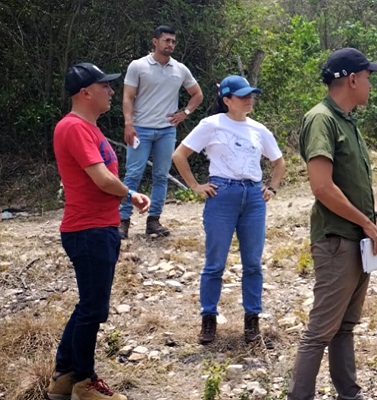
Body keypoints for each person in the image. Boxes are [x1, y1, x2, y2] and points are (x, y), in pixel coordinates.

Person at [287, 47, 377, 400]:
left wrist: (376, 219)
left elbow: (358, 183)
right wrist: (366, 223)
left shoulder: (348, 121)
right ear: (351, 80)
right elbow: (322, 186)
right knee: (320, 331)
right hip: (337, 241)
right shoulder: (322, 119)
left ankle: (349, 394)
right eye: (367, 78)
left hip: (358, 240)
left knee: (345, 327)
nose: (369, 85)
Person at [47, 63, 151, 400]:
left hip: (97, 227)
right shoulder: (74, 127)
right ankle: (85, 383)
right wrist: (131, 194)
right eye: (103, 85)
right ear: (84, 92)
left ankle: (63, 377)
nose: (110, 91)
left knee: (88, 306)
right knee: (93, 309)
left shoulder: (89, 128)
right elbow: (102, 179)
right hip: (88, 228)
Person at [172, 75, 285, 345]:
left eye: (251, 95)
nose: (249, 100)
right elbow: (179, 155)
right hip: (222, 194)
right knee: (214, 263)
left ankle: (252, 322)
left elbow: (279, 162)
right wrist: (195, 186)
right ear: (226, 100)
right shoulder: (211, 124)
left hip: (253, 196)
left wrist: (272, 187)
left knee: (253, 264)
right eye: (242, 96)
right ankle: (208, 319)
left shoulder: (259, 129)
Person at [119, 25, 204, 239]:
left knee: (161, 176)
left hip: (166, 131)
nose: (170, 45)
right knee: (133, 174)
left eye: (173, 41)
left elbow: (197, 94)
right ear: (155, 41)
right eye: (166, 40)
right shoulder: (138, 66)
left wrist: (184, 112)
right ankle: (122, 221)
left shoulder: (180, 69)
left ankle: (153, 220)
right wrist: (128, 123)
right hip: (141, 129)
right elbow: (128, 96)